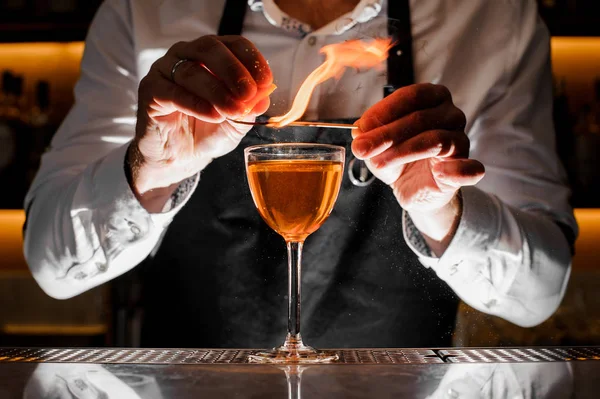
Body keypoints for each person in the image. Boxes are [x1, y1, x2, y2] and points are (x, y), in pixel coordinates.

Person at [23, 0, 576, 348]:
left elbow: (537, 296)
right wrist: (152, 169)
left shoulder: (493, 17)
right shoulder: (144, 11)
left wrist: (440, 208)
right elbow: (53, 268)